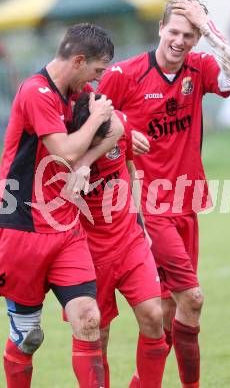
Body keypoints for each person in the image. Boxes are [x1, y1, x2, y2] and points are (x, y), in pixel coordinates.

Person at [97, 0, 230, 387]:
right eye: (174, 32)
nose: (180, 41)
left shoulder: (200, 67)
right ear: (160, 28)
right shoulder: (123, 74)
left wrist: (211, 30)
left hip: (187, 202)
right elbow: (92, 117)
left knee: (166, 309)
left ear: (197, 38)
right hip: (148, 206)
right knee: (191, 299)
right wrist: (126, 131)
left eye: (189, 34)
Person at [0, 23, 124, 388]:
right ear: (78, 61)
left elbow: (117, 128)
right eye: (96, 70)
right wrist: (92, 124)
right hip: (22, 227)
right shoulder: (36, 92)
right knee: (28, 339)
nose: (98, 80)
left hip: (65, 229)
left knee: (89, 319)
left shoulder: (79, 95)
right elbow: (63, 151)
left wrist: (88, 161)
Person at [66, 93, 168, 388]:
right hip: (86, 251)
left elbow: (133, 170)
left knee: (153, 315)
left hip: (129, 240)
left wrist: (141, 223)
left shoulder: (119, 124)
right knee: (98, 333)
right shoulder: (62, 147)